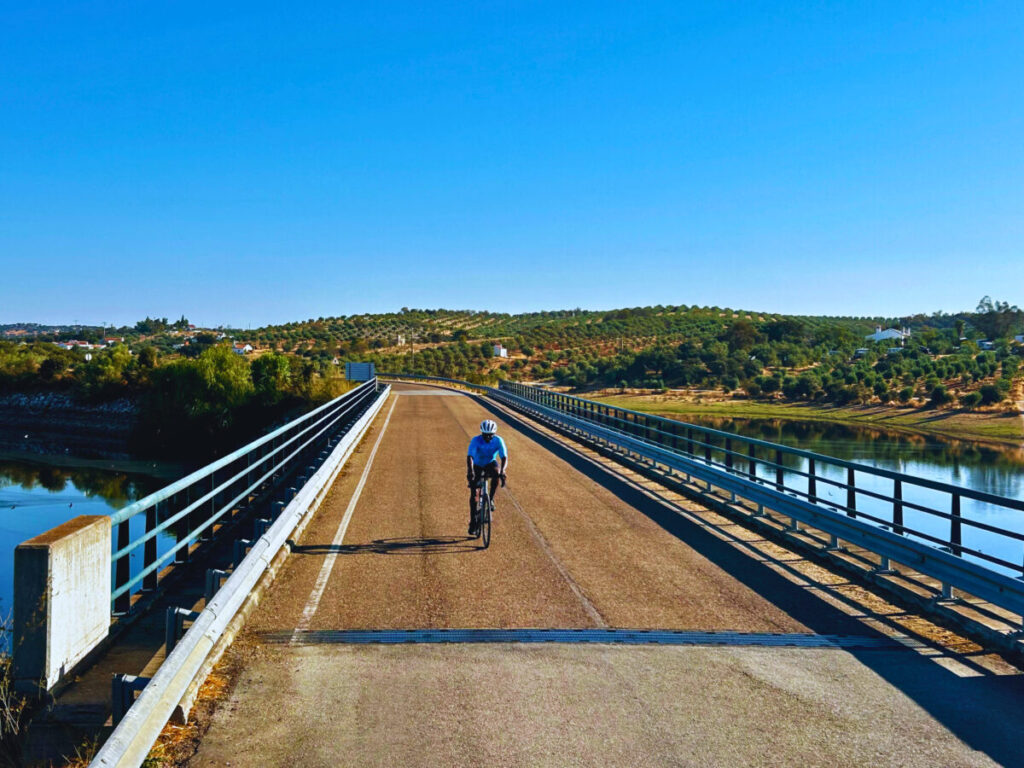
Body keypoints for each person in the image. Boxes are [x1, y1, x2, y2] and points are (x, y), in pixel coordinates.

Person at [466, 419, 508, 536]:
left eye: (490, 435)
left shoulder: (499, 441)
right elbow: (470, 457)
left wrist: (503, 471)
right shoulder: (476, 440)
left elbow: (504, 457)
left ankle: (491, 498)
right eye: (485, 435)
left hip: (490, 463)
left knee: (497, 472)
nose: (488, 438)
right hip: (477, 465)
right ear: (481, 433)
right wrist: (470, 472)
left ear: (494, 434)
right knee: (474, 494)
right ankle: (473, 520)